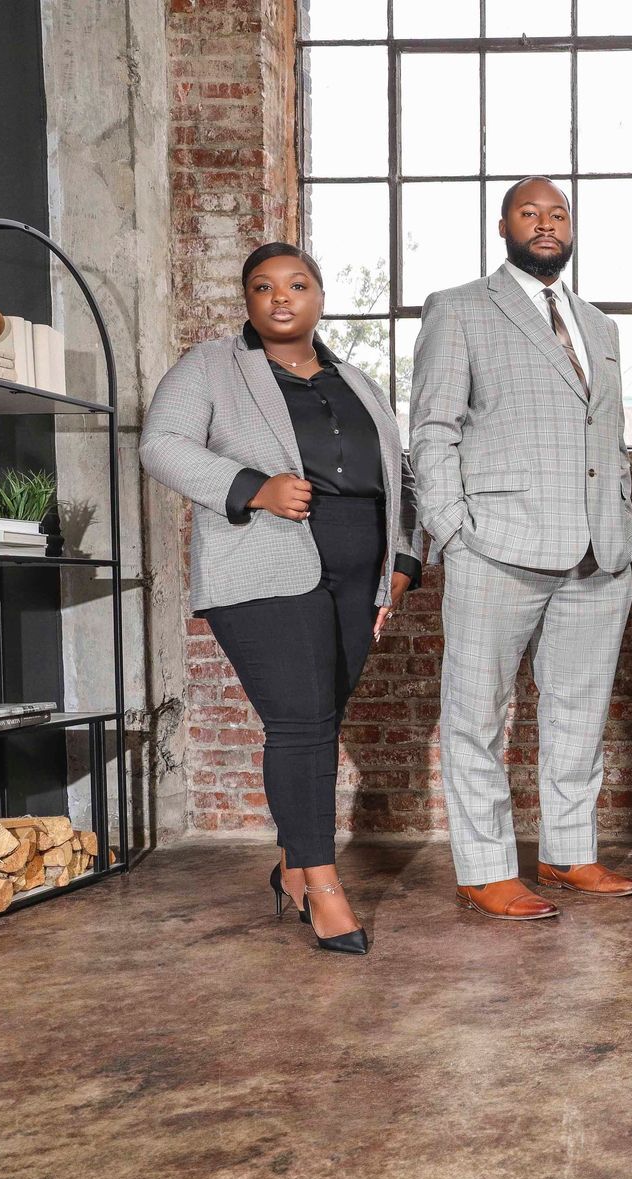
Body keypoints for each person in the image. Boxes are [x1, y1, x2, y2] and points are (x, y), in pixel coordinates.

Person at [141, 242, 421, 954]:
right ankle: (324, 888)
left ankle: (294, 869)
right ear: (247, 301)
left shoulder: (356, 379)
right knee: (300, 721)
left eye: (297, 284)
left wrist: (404, 562)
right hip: (263, 564)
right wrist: (252, 489)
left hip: (359, 573)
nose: (281, 297)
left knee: (319, 719)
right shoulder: (211, 366)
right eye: (263, 287)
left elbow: (400, 476)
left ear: (319, 297)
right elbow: (161, 444)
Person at [410, 176, 632, 921]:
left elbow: (605, 438)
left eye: (558, 214)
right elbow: (432, 428)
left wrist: (623, 518)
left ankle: (568, 852)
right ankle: (484, 869)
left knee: (578, 712)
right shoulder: (461, 309)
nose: (546, 224)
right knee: (477, 713)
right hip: (496, 545)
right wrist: (453, 530)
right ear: (503, 224)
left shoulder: (598, 325)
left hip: (597, 554)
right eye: (529, 213)